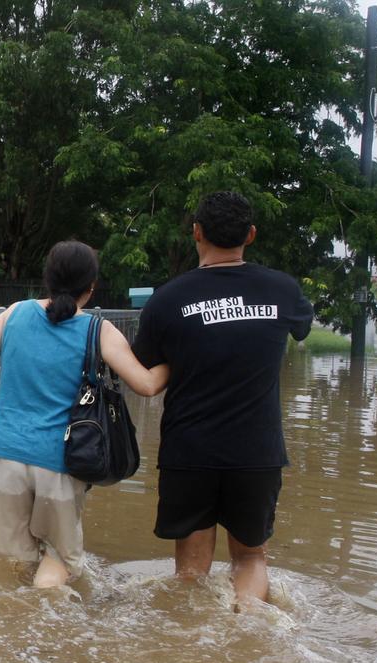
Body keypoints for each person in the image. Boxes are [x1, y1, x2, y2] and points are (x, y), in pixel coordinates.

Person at [130, 191, 313, 607]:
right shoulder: (283, 290)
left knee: (191, 573)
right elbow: (299, 330)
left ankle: (197, 647)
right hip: (258, 451)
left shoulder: (167, 300)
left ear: (196, 232)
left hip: (189, 450)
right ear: (250, 234)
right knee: (250, 557)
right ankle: (250, 624)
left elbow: (147, 368)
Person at [0, 240, 168, 587]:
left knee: (7, 564)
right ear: (90, 287)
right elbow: (146, 385)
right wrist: (178, 358)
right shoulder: (98, 330)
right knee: (60, 559)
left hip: (2, 455)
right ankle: (48, 623)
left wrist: (6, 379)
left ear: (47, 278)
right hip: (59, 461)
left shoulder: (13, 313)